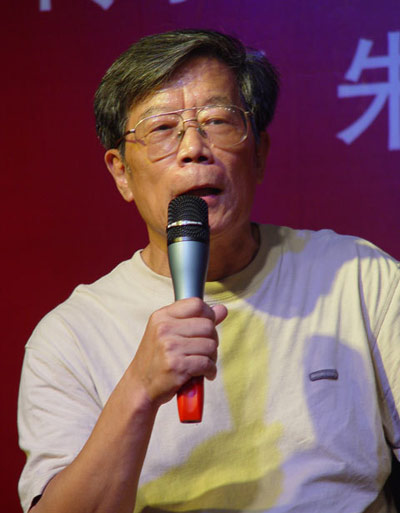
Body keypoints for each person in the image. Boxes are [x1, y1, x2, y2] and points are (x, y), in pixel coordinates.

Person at [18, 29, 400, 513]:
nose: (193, 148)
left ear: (259, 154)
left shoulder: (360, 279)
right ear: (121, 173)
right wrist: (138, 390)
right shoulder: (71, 335)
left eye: (217, 121)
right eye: (161, 128)